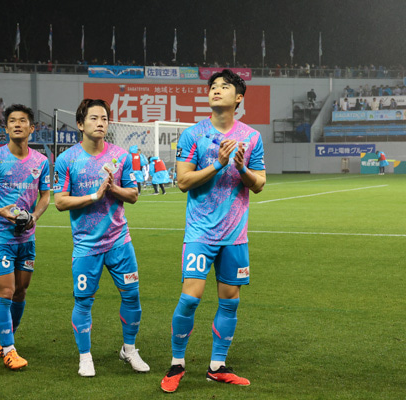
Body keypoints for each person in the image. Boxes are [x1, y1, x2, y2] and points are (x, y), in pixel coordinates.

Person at [160, 69, 266, 393]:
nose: (216, 90)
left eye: (225, 86)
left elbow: (259, 183)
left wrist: (241, 167)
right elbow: (182, 181)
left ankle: (217, 366)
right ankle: (177, 364)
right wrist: (219, 163)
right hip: (200, 233)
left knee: (230, 302)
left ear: (239, 98)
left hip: (235, 236)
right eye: (213, 86)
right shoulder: (193, 134)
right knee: (189, 298)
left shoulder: (252, 137)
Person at [54, 99, 150, 377]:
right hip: (86, 245)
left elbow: (133, 195)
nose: (100, 123)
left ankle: (129, 350)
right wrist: (94, 196)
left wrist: (113, 190)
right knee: (83, 301)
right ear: (80, 124)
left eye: (104, 118)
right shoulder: (67, 159)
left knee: (132, 296)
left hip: (120, 241)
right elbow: (60, 201)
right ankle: (85, 357)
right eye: (94, 118)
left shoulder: (120, 156)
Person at [0, 104, 50, 371]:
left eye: (23, 120)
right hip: (0, 237)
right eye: (12, 121)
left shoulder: (41, 161)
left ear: (32, 128)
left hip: (26, 238)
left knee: (20, 292)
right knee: (5, 292)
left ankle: (5, 341)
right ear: (6, 128)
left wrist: (34, 216)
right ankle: (9, 350)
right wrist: (0, 211)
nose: (17, 124)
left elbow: (45, 195)